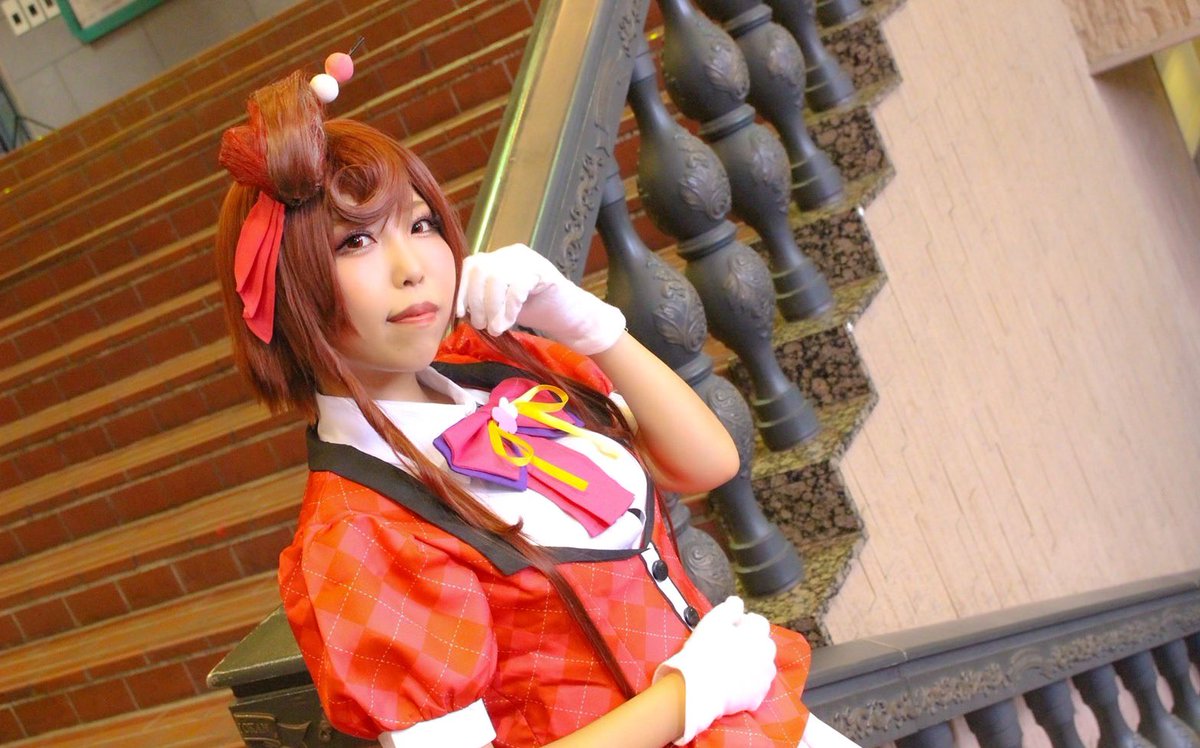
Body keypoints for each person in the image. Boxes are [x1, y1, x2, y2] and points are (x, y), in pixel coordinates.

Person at [213, 64, 857, 748]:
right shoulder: (358, 532)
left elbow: (708, 463)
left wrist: (590, 325)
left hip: (771, 723)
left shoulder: (498, 367)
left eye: (421, 223)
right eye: (356, 241)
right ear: (287, 288)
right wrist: (687, 695)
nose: (413, 266)